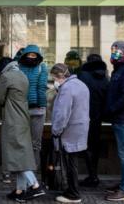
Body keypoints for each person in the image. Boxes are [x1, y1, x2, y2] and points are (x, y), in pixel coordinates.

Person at [0, 57, 46, 202]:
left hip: (12, 120)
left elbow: (0, 99)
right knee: (20, 153)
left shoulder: (6, 76)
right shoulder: (22, 74)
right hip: (24, 118)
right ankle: (20, 190)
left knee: (16, 156)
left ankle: (35, 186)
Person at [50, 63, 90, 203]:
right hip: (80, 128)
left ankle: (73, 194)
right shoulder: (81, 84)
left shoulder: (66, 88)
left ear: (60, 76)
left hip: (69, 130)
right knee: (73, 162)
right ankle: (72, 190)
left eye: (54, 77)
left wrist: (56, 131)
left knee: (70, 163)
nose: (54, 81)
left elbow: (62, 114)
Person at [104, 41, 124, 201]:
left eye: (116, 49)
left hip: (123, 117)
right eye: (112, 49)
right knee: (123, 153)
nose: (113, 52)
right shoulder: (120, 68)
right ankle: (123, 184)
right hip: (118, 117)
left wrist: (112, 109)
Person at [78, 54, 109, 187]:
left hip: (84, 115)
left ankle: (92, 176)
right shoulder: (105, 77)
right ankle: (93, 175)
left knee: (85, 146)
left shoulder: (83, 75)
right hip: (98, 117)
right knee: (94, 146)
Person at [17, 45, 48, 172]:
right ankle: (23, 168)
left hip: (36, 108)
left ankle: (34, 168)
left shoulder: (42, 68)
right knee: (23, 142)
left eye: (34, 56)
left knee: (35, 142)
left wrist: (41, 104)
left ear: (38, 57)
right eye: (29, 55)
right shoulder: (18, 67)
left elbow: (42, 87)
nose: (31, 57)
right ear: (24, 55)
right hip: (21, 107)